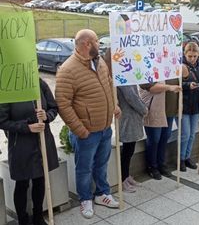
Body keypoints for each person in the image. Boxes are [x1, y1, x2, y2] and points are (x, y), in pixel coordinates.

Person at [55, 29, 121, 219]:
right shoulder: (68, 70)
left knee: (101, 164)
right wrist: (80, 131)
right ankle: (85, 199)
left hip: (104, 128)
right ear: (87, 44)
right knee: (84, 169)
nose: (99, 45)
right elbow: (63, 104)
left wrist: (114, 105)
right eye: (97, 42)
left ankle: (102, 194)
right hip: (86, 133)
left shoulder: (99, 62)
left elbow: (108, 83)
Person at [0, 79, 59, 225]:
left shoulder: (39, 83)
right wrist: (27, 127)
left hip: (42, 141)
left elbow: (54, 108)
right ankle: (23, 219)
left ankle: (38, 217)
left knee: (40, 180)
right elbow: (2, 121)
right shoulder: (7, 87)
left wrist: (47, 116)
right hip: (21, 145)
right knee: (22, 183)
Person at [140, 82, 181, 180]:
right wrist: (169, 87)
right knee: (154, 139)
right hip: (155, 110)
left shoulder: (171, 67)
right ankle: (152, 166)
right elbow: (150, 87)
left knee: (165, 137)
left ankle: (161, 164)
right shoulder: (146, 68)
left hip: (169, 109)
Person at [181, 42, 199, 171]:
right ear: (185, 54)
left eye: (195, 56)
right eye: (190, 56)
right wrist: (188, 85)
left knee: (192, 133)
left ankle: (187, 157)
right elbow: (178, 84)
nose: (192, 59)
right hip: (185, 104)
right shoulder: (181, 66)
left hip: (196, 103)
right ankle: (181, 158)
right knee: (185, 134)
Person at [118, 85, 148, 192]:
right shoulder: (123, 77)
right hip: (127, 118)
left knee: (129, 150)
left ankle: (126, 176)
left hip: (131, 117)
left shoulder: (128, 76)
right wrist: (143, 109)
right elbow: (131, 97)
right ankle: (123, 179)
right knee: (127, 151)